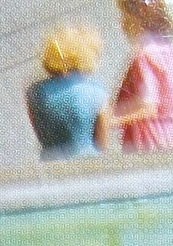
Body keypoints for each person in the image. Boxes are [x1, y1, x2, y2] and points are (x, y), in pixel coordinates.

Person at [111, 0, 173, 152]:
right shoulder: (167, 50)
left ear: (140, 19)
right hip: (171, 133)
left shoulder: (144, 55)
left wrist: (107, 120)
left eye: (125, 18)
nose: (122, 25)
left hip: (148, 137)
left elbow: (147, 106)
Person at [26, 27, 111, 160]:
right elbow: (102, 143)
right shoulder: (96, 91)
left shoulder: (35, 92)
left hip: (51, 164)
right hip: (89, 165)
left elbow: (40, 132)